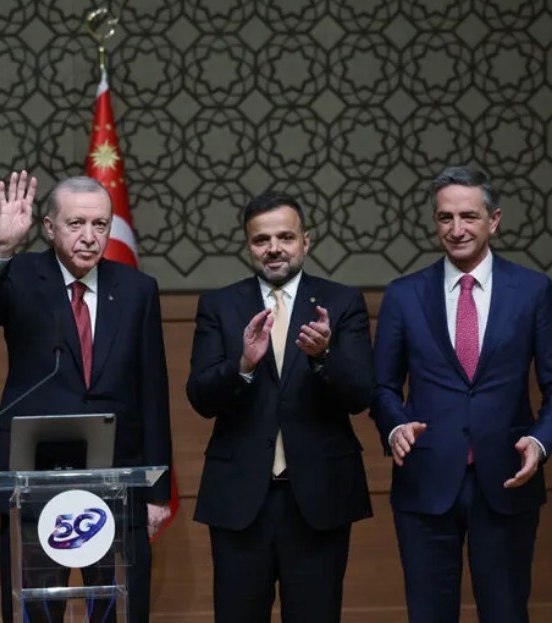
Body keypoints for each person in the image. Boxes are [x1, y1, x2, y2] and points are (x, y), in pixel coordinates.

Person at [0, 171, 173, 622]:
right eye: (76, 224)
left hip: (118, 482)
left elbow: (152, 391)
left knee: (118, 609)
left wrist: (157, 494)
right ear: (50, 228)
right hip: (33, 485)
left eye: (100, 224)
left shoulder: (137, 290)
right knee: (37, 609)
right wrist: (2, 246)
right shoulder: (20, 276)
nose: (90, 237)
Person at [372, 166, 551, 623]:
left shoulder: (534, 291)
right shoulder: (404, 294)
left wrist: (540, 441)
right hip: (425, 480)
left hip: (508, 478)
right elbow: (383, 386)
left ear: (494, 220)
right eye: (445, 217)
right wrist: (394, 427)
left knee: (506, 612)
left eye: (469, 216)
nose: (456, 229)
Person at [186, 191, 374, 623]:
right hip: (239, 498)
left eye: (285, 237)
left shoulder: (342, 302)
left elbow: (362, 394)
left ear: (306, 241)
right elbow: (200, 397)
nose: (274, 248)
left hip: (319, 498)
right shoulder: (219, 305)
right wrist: (242, 366)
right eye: (261, 239)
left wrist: (324, 357)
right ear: (248, 246)